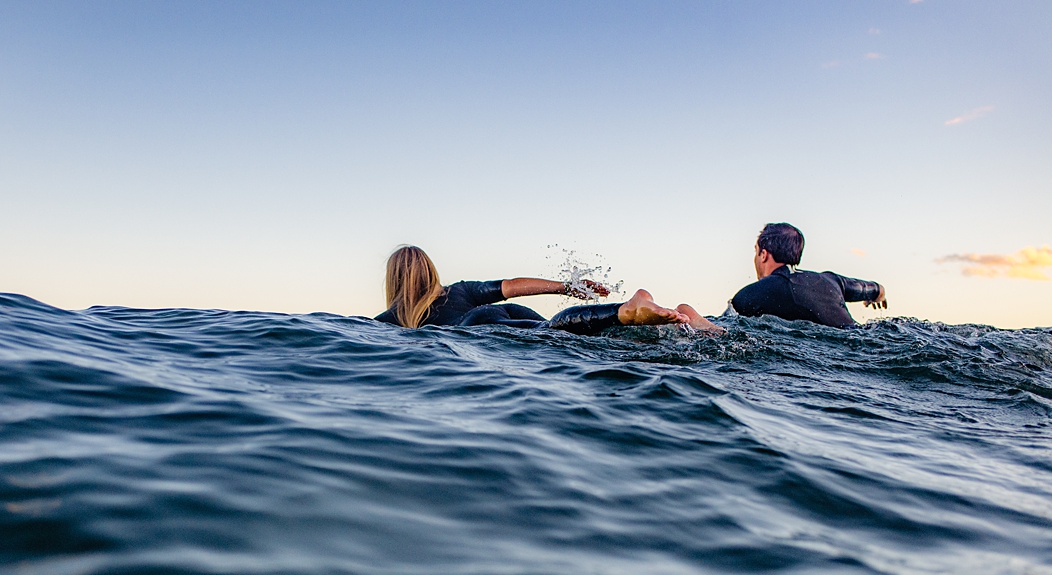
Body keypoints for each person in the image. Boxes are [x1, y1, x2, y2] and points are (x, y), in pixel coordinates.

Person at [374, 245, 718, 333]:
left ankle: (625, 309)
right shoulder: (460, 290)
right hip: (505, 314)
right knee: (559, 332)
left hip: (477, 328)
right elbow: (514, 287)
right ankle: (681, 319)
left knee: (554, 335)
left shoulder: (391, 319)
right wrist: (566, 288)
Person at [730, 223, 887, 328]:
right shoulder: (831, 280)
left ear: (763, 254)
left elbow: (721, 329)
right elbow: (876, 289)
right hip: (861, 340)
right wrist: (879, 294)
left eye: (755, 251)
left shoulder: (755, 292)